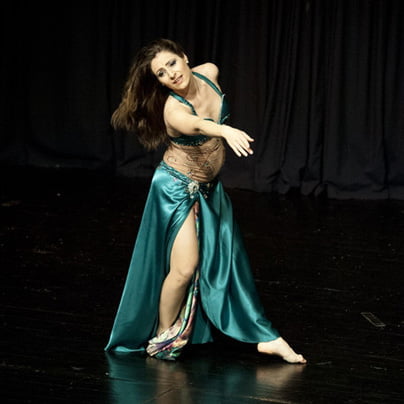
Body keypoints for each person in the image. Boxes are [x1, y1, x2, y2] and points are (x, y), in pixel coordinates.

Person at [104, 38, 306, 364]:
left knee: (229, 263)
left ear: (184, 57)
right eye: (161, 73)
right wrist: (225, 132)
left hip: (210, 189)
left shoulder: (209, 72)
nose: (171, 74)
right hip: (176, 188)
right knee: (184, 268)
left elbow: (207, 85)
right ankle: (164, 335)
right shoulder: (174, 111)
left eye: (172, 63)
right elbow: (197, 124)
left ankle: (264, 337)